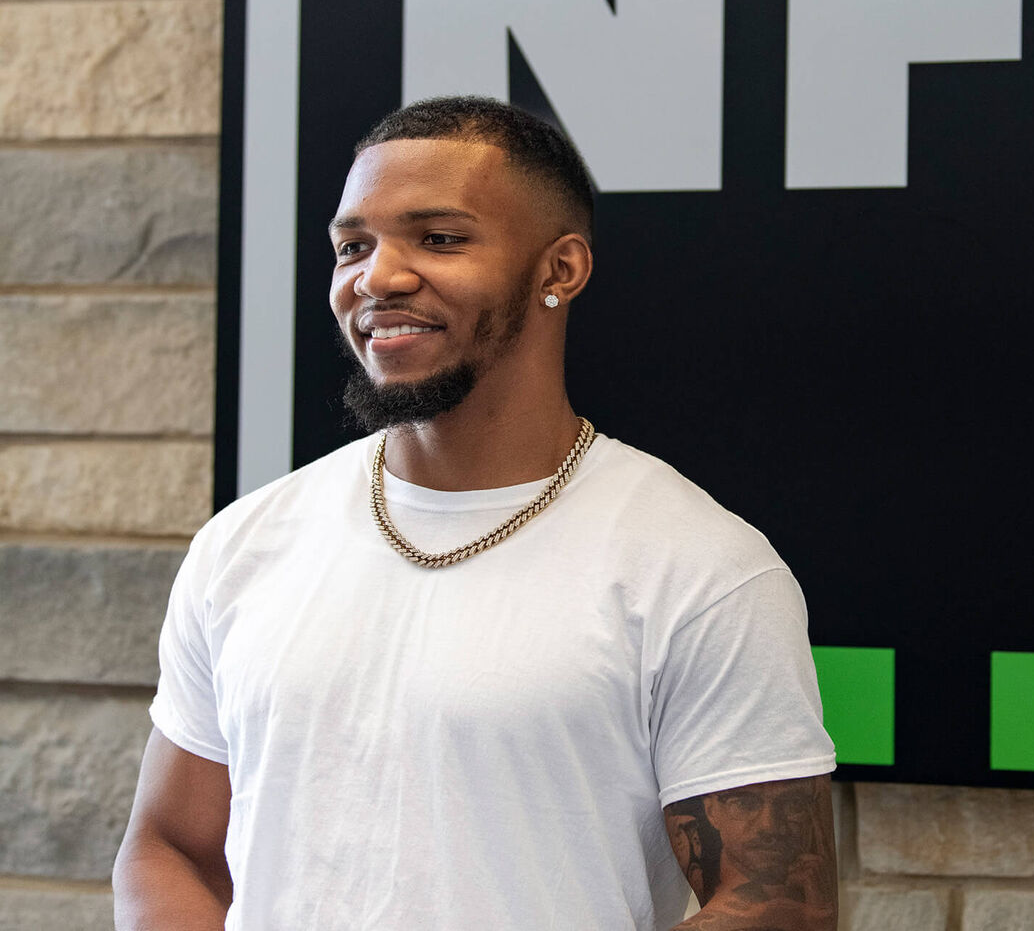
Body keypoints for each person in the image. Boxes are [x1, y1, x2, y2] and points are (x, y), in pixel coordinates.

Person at [113, 97, 838, 930]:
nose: (377, 278)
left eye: (438, 238)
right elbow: (171, 848)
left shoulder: (700, 569)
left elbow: (779, 903)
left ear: (560, 270)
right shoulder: (243, 543)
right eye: (353, 246)